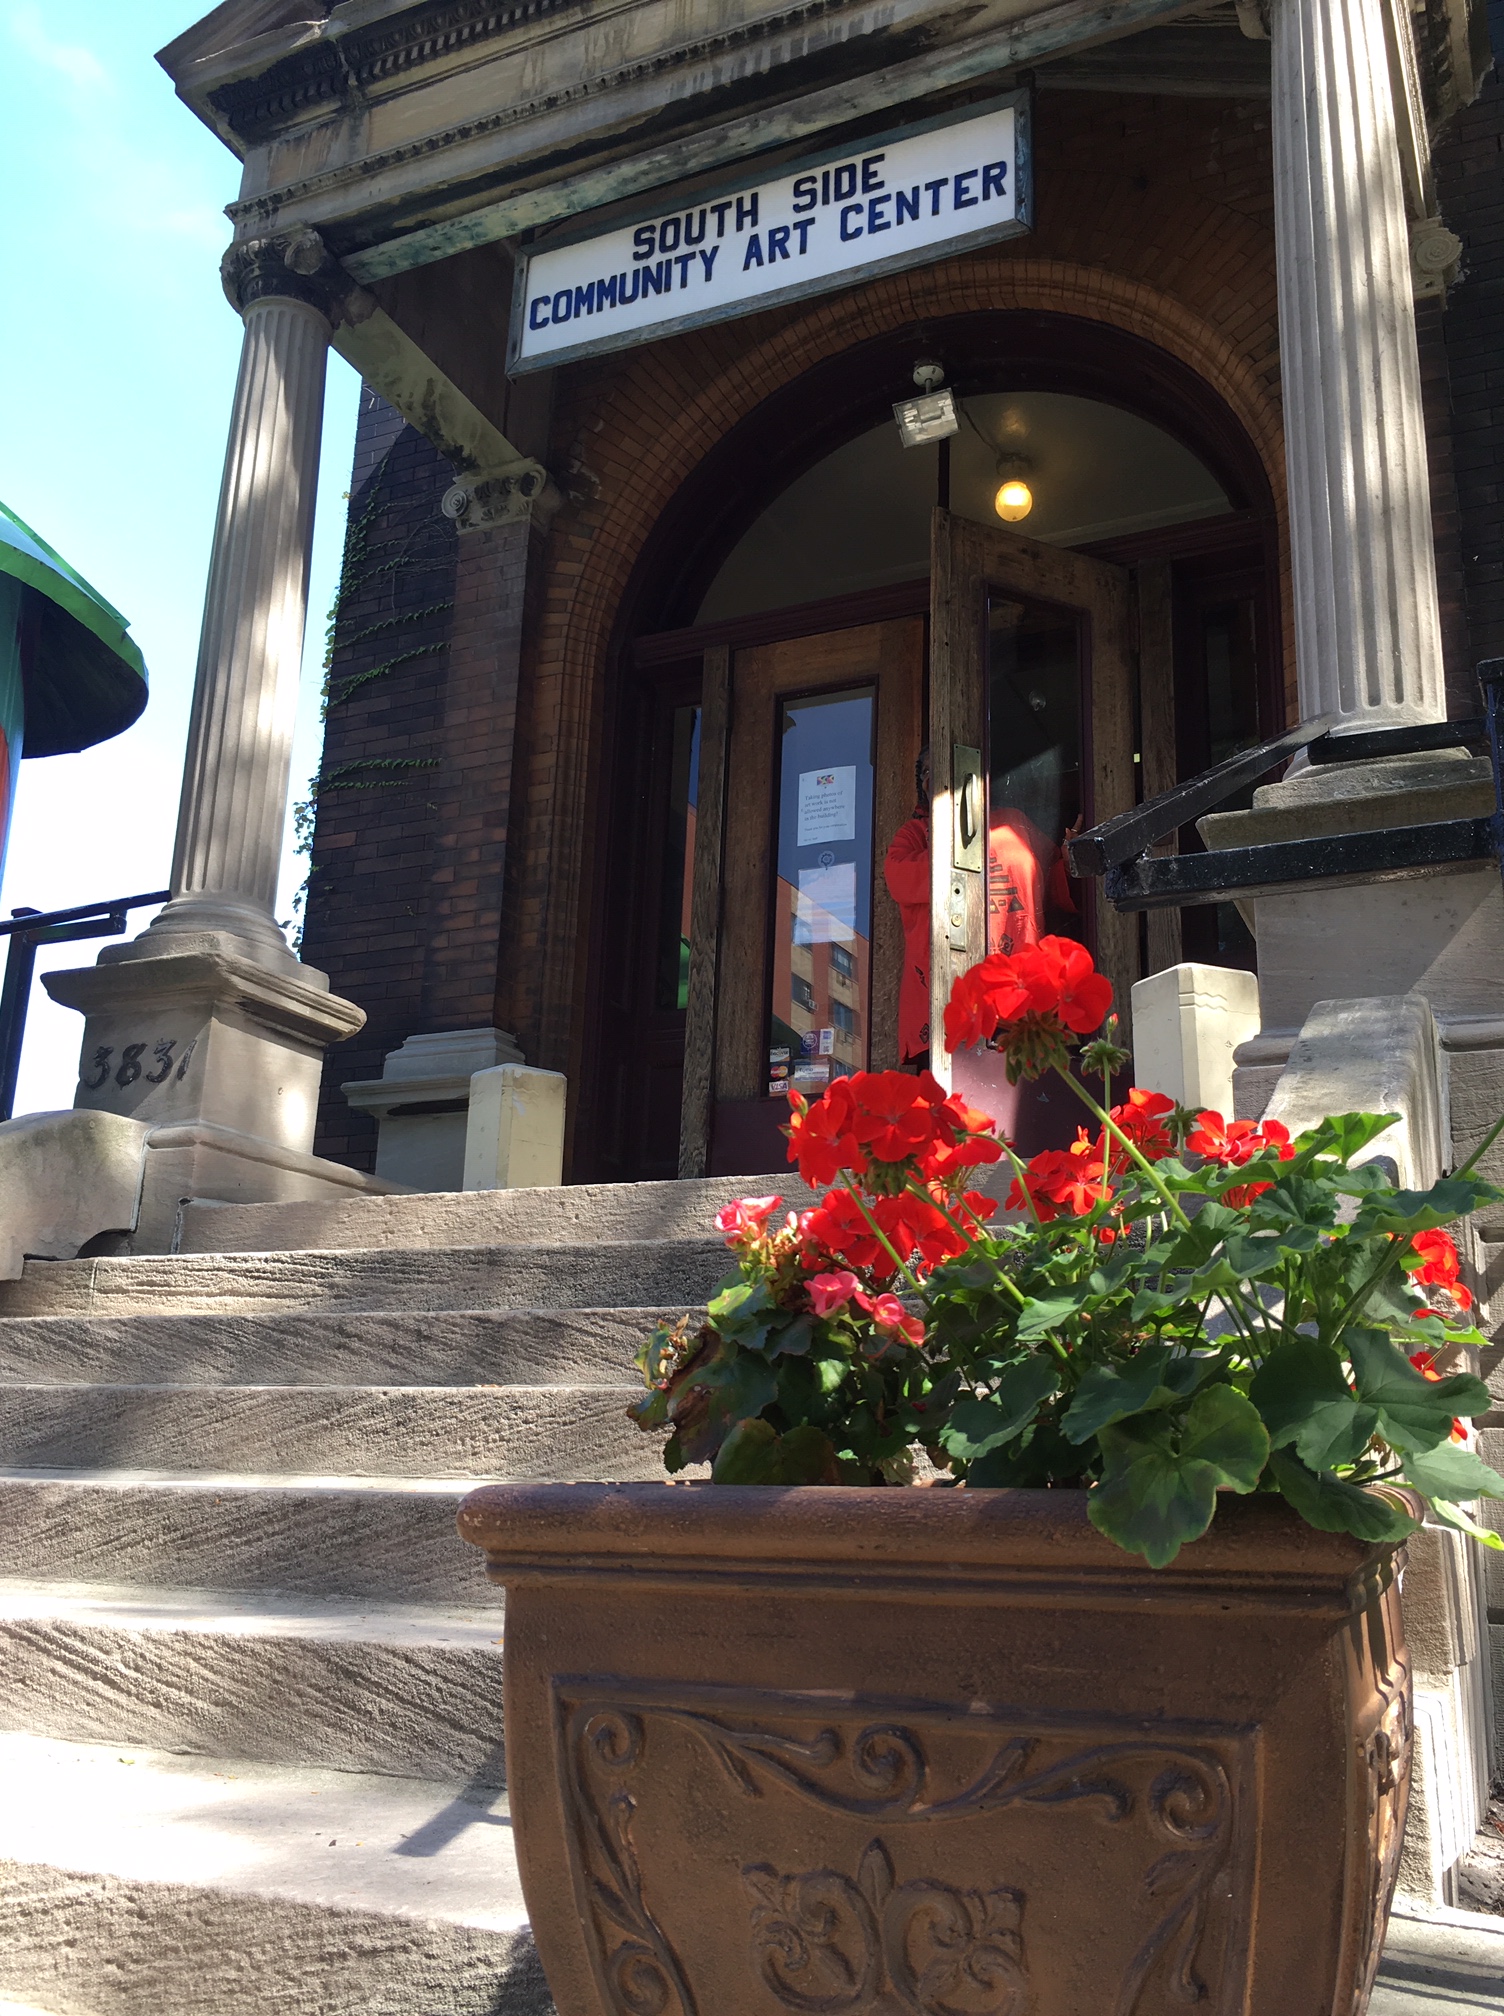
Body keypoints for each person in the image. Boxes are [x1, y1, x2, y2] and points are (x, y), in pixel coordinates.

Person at [883, 746, 1078, 1068]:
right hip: (948, 998)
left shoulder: (1014, 822)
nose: (936, 776)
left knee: (1027, 1088)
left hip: (1020, 986)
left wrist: (1070, 864)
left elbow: (1051, 883)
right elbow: (899, 879)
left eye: (945, 765)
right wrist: (961, 845)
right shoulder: (914, 834)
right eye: (927, 771)